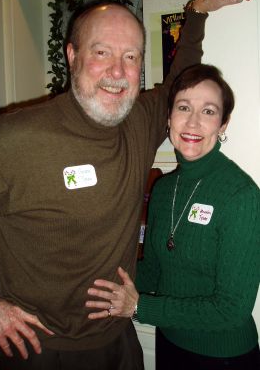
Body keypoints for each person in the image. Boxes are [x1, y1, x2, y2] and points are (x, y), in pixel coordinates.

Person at [0, 0, 254, 370]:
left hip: (119, 343)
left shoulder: (138, 121)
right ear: (72, 55)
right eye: (101, 52)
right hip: (38, 351)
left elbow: (182, 84)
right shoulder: (14, 140)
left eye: (131, 56)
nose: (117, 70)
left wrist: (196, 12)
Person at [86, 64, 260, 370]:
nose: (193, 122)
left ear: (223, 125)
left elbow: (232, 309)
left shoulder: (241, 196)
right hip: (169, 344)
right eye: (184, 107)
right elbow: (153, 270)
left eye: (208, 111)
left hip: (223, 356)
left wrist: (140, 306)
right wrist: (102, 279)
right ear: (169, 119)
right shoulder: (164, 190)